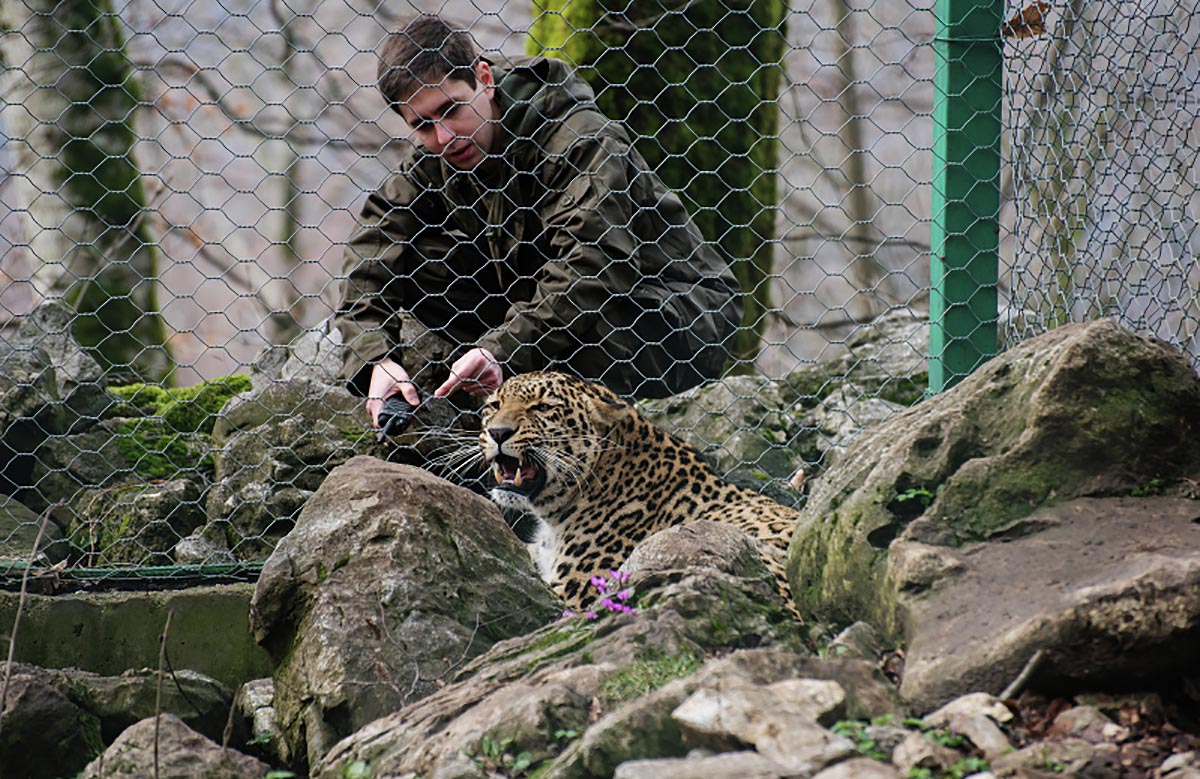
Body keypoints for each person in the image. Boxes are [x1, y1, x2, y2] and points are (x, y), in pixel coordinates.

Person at [333, 14, 743, 428]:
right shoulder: (437, 156)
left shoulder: (581, 140)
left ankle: (534, 404)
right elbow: (372, 244)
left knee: (585, 319)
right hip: (546, 296)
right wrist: (376, 361)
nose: (444, 137)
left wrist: (501, 349)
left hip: (670, 313)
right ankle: (500, 386)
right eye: (422, 125)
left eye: (451, 109)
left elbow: (593, 269)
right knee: (413, 257)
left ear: (484, 79)